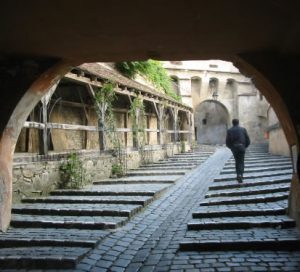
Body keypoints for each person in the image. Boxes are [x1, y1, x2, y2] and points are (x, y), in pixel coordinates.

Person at [226, 119, 250, 183]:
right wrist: (244, 147)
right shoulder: (243, 129)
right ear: (238, 123)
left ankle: (238, 175)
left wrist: (231, 148)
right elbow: (248, 140)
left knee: (237, 161)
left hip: (234, 148)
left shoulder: (229, 130)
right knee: (241, 162)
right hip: (242, 147)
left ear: (232, 123)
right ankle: (240, 175)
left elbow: (227, 142)